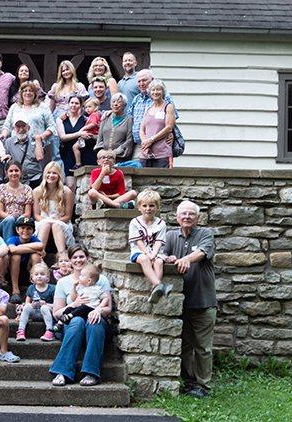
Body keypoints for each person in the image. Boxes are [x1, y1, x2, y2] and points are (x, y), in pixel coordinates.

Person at [163, 200, 216, 399]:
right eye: (183, 214)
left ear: (197, 217)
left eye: (191, 214)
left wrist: (186, 259)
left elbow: (202, 253)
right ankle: (189, 381)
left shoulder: (205, 234)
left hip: (203, 302)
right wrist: (166, 258)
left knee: (203, 347)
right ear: (177, 217)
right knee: (184, 346)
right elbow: (161, 253)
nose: (187, 217)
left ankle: (203, 385)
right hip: (179, 303)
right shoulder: (169, 236)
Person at [50, 244, 113, 387]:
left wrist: (98, 310)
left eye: (81, 257)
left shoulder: (101, 279)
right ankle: (63, 372)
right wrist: (74, 304)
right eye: (74, 257)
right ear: (70, 261)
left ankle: (91, 372)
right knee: (77, 321)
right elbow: (57, 313)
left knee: (94, 322)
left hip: (95, 321)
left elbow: (108, 308)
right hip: (73, 324)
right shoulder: (63, 282)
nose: (78, 260)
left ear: (87, 258)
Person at [128, 189, 169, 303]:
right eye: (144, 205)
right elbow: (139, 241)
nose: (148, 208)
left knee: (159, 262)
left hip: (155, 251)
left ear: (157, 207)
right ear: (139, 207)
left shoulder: (161, 223)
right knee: (145, 260)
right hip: (139, 251)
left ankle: (154, 291)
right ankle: (160, 285)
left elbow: (158, 242)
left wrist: (154, 254)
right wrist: (147, 253)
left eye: (151, 205)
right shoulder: (135, 222)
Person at [128, 69, 178, 151]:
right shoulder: (137, 99)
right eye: (139, 81)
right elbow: (130, 119)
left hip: (159, 144)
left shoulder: (163, 96)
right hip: (139, 145)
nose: (141, 84)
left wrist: (170, 132)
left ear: (152, 80)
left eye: (144, 80)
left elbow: (172, 120)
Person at [33, 162, 74, 259]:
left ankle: (62, 256)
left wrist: (56, 220)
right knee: (46, 224)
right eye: (49, 172)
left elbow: (68, 216)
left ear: (59, 175)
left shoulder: (66, 191)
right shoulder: (37, 191)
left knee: (56, 225)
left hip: (61, 221)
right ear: (45, 174)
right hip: (43, 221)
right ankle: (39, 257)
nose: (51, 175)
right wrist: (47, 220)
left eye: (54, 173)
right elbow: (36, 215)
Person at [57, 96, 96, 185]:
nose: (74, 105)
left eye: (76, 103)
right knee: (70, 184)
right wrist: (79, 133)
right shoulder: (61, 120)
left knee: (85, 184)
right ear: (68, 104)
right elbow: (62, 137)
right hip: (68, 153)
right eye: (72, 103)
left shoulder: (86, 119)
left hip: (84, 152)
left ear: (81, 106)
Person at [6, 216, 45, 304]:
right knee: (16, 256)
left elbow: (40, 246)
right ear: (17, 230)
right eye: (22, 228)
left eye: (29, 228)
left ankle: (34, 288)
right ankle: (15, 291)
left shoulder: (34, 239)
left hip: (29, 272)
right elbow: (13, 250)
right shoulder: (13, 239)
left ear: (33, 231)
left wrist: (19, 247)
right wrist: (34, 249)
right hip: (13, 274)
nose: (25, 231)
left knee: (35, 256)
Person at [138, 79, 175, 167]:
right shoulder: (148, 108)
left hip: (162, 153)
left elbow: (169, 127)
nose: (155, 92)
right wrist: (145, 143)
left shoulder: (168, 107)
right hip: (146, 154)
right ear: (150, 92)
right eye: (153, 90)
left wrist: (151, 140)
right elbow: (142, 129)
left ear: (163, 91)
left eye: (158, 89)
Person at [16, 262, 56, 342]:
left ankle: (49, 331)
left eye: (42, 274)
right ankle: (21, 331)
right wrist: (32, 305)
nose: (39, 276)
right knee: (27, 307)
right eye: (36, 274)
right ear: (32, 278)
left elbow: (56, 305)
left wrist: (46, 304)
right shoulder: (31, 288)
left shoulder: (52, 288)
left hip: (47, 313)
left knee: (44, 307)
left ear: (48, 278)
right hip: (35, 313)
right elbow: (27, 304)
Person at [1, 118, 47, 188]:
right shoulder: (8, 142)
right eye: (18, 127)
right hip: (17, 178)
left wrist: (38, 140)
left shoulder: (36, 140)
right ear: (14, 128)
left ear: (28, 127)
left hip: (35, 177)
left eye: (23, 126)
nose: (21, 129)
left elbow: (40, 157)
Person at [0, 161, 33, 240]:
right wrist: (11, 218)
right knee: (10, 220)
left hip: (21, 222)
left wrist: (18, 220)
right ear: (6, 173)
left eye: (16, 170)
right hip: (5, 223)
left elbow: (28, 213)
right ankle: (9, 246)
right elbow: (0, 212)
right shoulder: (1, 188)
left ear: (21, 172)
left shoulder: (27, 189)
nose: (14, 173)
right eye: (11, 171)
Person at [94, 93, 134, 163]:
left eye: (119, 102)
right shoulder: (105, 118)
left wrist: (114, 153)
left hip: (120, 159)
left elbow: (129, 141)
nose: (115, 104)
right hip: (104, 159)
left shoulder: (129, 120)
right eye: (113, 101)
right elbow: (99, 139)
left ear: (124, 105)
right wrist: (104, 153)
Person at [72, 98, 102, 169]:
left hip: (90, 135)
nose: (87, 109)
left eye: (89, 107)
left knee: (75, 147)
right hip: (90, 135)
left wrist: (83, 128)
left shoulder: (94, 115)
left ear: (96, 107)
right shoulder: (92, 115)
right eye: (86, 107)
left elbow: (94, 124)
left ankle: (78, 163)